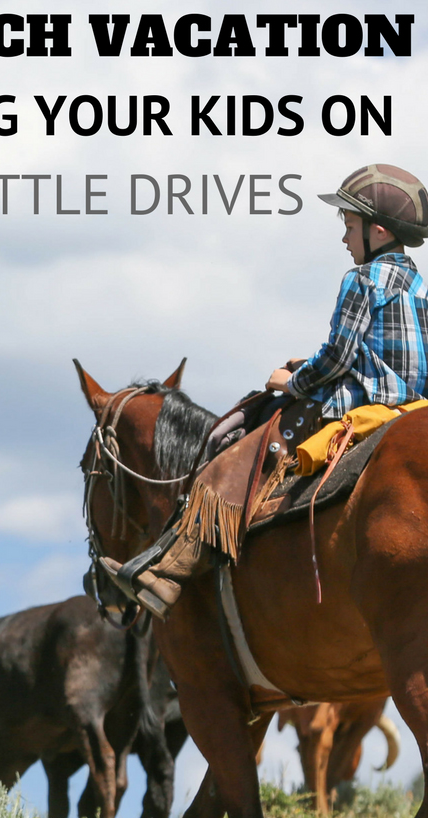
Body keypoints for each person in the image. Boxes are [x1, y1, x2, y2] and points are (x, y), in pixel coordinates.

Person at [100, 164, 428, 620]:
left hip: (358, 405)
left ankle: (169, 572)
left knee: (236, 450)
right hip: (412, 406)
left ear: (377, 230)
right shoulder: (417, 284)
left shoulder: (361, 279)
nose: (344, 239)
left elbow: (337, 358)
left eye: (350, 227)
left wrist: (290, 381)